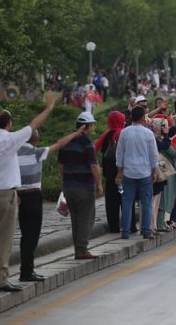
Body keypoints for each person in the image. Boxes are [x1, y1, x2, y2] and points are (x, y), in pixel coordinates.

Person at [0, 91, 57, 292]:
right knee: (3, 239)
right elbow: (34, 125)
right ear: (9, 123)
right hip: (5, 196)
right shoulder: (10, 140)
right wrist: (49, 108)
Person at [17, 126, 83, 282]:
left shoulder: (14, 153)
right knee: (32, 236)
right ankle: (27, 272)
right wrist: (75, 134)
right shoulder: (37, 152)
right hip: (33, 197)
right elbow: (59, 144)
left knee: (24, 235)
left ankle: (25, 270)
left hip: (18, 197)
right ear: (36, 140)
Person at [57, 111, 104, 260]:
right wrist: (99, 184)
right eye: (92, 125)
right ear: (87, 126)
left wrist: (63, 183)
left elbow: (61, 165)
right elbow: (94, 166)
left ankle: (78, 248)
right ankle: (82, 249)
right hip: (84, 186)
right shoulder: (86, 143)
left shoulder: (66, 142)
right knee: (86, 217)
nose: (93, 128)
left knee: (76, 218)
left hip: (69, 186)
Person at [115, 106, 159, 239]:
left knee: (127, 202)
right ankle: (146, 230)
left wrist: (119, 172)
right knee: (146, 202)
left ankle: (126, 232)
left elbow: (119, 154)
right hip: (145, 172)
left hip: (128, 172)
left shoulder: (125, 132)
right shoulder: (148, 133)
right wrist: (154, 171)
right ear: (142, 117)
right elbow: (153, 155)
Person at [94, 111, 127, 233]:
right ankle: (128, 225)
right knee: (126, 199)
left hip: (109, 172)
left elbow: (95, 148)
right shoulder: (123, 133)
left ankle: (113, 227)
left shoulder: (106, 135)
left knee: (111, 202)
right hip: (122, 171)